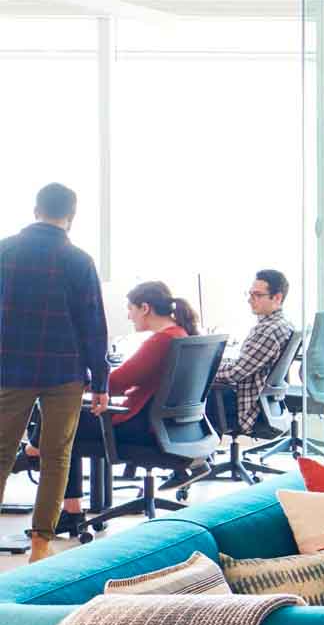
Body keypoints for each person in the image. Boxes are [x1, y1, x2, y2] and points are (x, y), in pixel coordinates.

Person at [0, 184, 110, 561]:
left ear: (35, 210)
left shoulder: (4, 251)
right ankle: (41, 545)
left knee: (1, 453)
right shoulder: (78, 260)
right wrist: (101, 380)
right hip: (65, 371)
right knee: (56, 456)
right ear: (71, 217)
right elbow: (93, 325)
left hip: (9, 368)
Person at [51, 281, 199, 529]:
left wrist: (75, 380)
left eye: (130, 309)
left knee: (63, 425)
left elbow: (116, 383)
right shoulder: (180, 334)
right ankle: (61, 492)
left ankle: (71, 509)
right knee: (73, 420)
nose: (129, 316)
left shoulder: (161, 341)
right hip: (168, 427)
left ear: (145, 308)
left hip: (139, 426)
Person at [211, 268, 296, 438]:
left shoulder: (268, 331)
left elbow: (234, 373)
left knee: (190, 396)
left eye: (257, 295)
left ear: (277, 297)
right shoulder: (283, 324)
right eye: (250, 294)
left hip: (248, 409)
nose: (250, 300)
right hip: (264, 403)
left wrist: (205, 372)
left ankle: (201, 454)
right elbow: (243, 365)